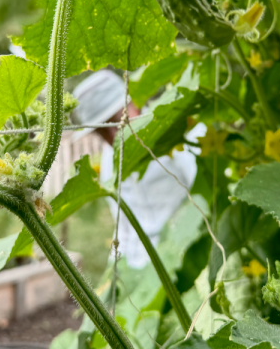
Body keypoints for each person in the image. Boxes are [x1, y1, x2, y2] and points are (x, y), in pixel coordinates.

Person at [72, 70, 198, 268]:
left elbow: (203, 197)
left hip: (187, 252)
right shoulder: (108, 161)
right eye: (103, 131)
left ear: (134, 104)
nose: (114, 134)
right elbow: (123, 227)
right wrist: (115, 271)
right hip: (142, 269)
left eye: (118, 119)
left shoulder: (175, 131)